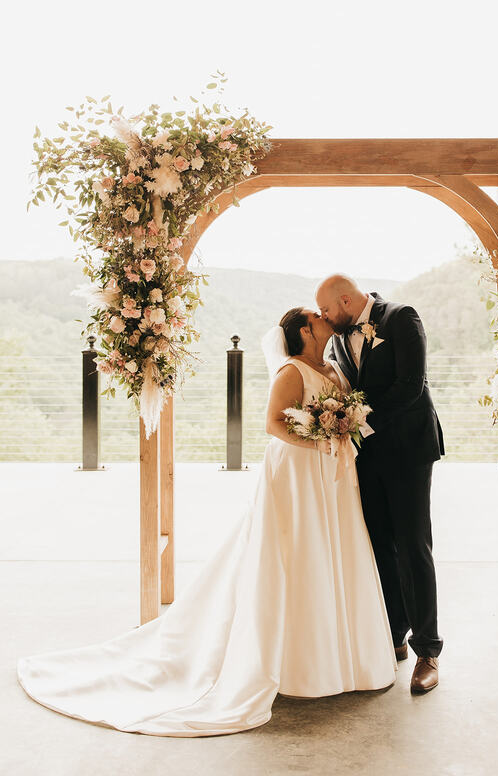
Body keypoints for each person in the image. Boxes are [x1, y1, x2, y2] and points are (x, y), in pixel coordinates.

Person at [16, 307, 396, 737]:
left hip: (331, 476)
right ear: (306, 331)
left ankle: (343, 659)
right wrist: (320, 438)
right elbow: (272, 424)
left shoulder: (332, 367)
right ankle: (300, 666)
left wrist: (340, 432)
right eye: (316, 315)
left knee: (333, 551)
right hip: (298, 474)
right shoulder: (291, 372)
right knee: (298, 550)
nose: (325, 316)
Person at [315, 274, 445, 694]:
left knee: (413, 545)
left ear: (346, 300)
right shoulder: (338, 340)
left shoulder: (401, 317)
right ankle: (393, 635)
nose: (323, 317)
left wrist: (359, 421)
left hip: (408, 450)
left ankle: (428, 651)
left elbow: (411, 386)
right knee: (380, 547)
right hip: (366, 456)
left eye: (326, 310)